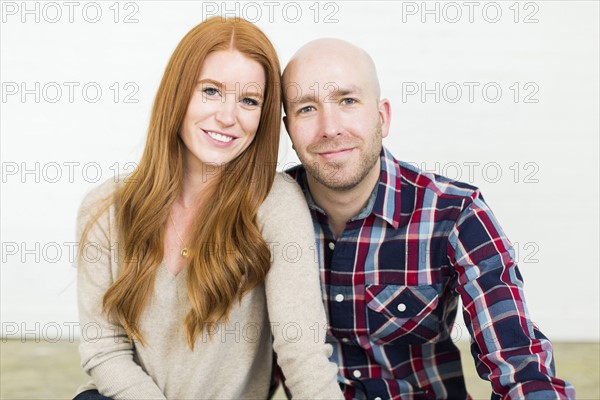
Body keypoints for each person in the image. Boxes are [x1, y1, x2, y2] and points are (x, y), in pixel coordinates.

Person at [282, 38, 576, 399]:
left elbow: (519, 366)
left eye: (347, 101)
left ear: (382, 116)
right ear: (288, 129)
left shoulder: (456, 214)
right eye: (307, 108)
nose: (330, 127)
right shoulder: (265, 212)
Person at [73, 18, 343, 400]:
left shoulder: (274, 204)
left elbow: (303, 355)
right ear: (178, 93)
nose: (228, 117)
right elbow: (105, 351)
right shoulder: (104, 209)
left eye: (248, 100)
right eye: (212, 91)